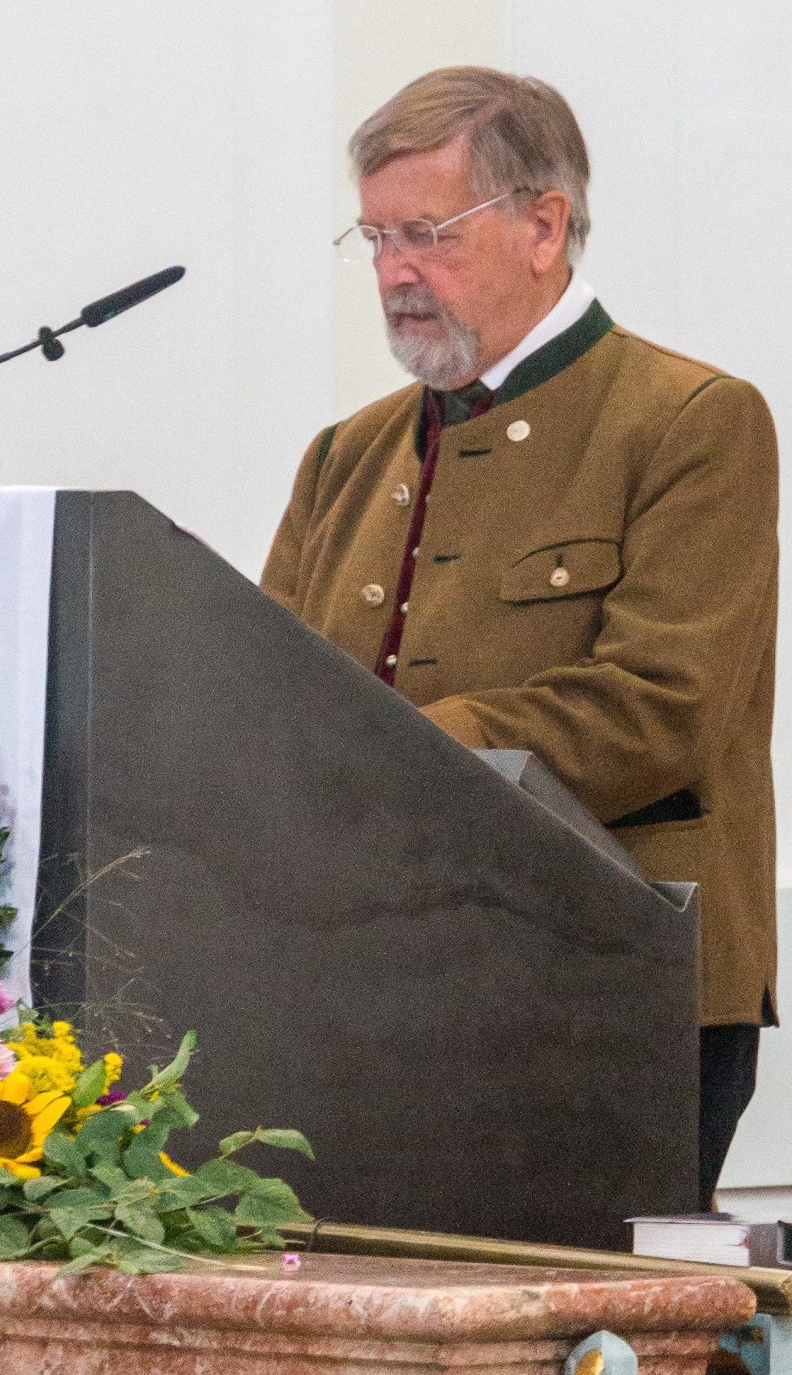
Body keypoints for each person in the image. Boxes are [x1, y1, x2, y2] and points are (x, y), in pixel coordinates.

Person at [261, 66, 778, 1210]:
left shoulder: (690, 421)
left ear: (543, 224)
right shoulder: (346, 454)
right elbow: (268, 699)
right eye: (375, 237)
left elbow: (658, 706)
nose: (395, 272)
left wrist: (402, 754)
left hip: (610, 982)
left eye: (427, 235)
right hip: (368, 978)